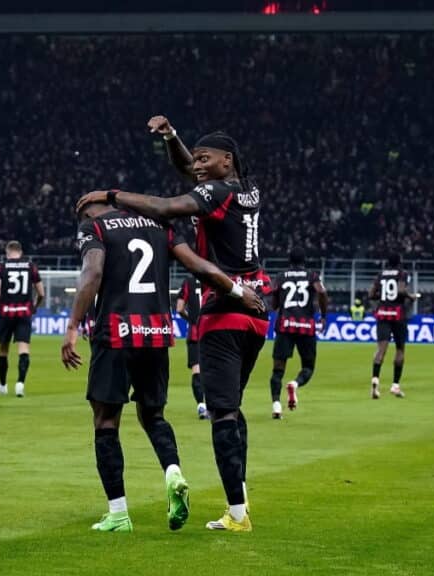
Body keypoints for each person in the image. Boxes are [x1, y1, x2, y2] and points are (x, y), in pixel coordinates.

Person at [76, 115, 270, 532]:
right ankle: (240, 502)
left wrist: (110, 194)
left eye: (206, 159)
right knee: (232, 410)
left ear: (226, 160)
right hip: (255, 305)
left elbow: (166, 207)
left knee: (221, 413)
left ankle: (237, 514)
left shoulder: (215, 192)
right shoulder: (245, 189)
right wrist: (173, 138)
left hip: (225, 305)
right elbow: (190, 172)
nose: (197, 165)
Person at [269, 247, 329, 419]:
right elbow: (322, 292)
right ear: (304, 261)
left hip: (285, 326)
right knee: (308, 367)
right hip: (306, 326)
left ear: (290, 261)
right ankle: (295, 384)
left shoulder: (281, 276)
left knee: (277, 370)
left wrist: (277, 302)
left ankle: (276, 405)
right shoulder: (312, 276)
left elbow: (274, 302)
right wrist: (323, 316)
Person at [0, 240, 45, 398]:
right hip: (24, 312)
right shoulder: (30, 266)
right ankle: (20, 384)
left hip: (6, 313)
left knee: (3, 350)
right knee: (24, 348)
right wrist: (35, 306)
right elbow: (41, 293)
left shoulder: (1, 267)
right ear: (20, 252)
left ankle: (3, 385)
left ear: (7, 252)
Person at [369, 253, 420, 399]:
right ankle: (395, 385)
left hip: (383, 312)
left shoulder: (380, 275)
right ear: (399, 262)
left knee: (381, 350)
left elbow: (371, 294)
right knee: (400, 349)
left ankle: (375, 381)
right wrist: (412, 297)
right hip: (397, 314)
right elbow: (400, 291)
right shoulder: (403, 274)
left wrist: (383, 296)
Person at [175, 275, 207, 419]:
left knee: (196, 369)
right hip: (213, 331)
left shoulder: (189, 280)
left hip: (195, 332)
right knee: (215, 369)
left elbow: (180, 308)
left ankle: (201, 405)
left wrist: (191, 320)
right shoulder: (214, 274)